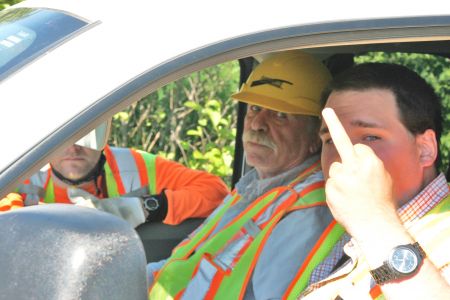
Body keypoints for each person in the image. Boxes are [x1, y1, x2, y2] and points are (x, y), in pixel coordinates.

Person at [147, 51, 339, 299]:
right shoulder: (255, 186)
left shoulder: (307, 210)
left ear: (316, 137)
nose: (257, 123)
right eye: (254, 108)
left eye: (280, 115)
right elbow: (190, 263)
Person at [297, 63, 450, 299]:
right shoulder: (341, 227)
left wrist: (374, 221)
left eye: (370, 137)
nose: (342, 154)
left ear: (425, 149)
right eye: (329, 140)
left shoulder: (369, 223)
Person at [0, 120, 229, 227]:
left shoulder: (134, 165)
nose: (72, 148)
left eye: (85, 133)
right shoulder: (22, 171)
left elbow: (216, 192)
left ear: (104, 133)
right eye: (61, 136)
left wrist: (143, 208)